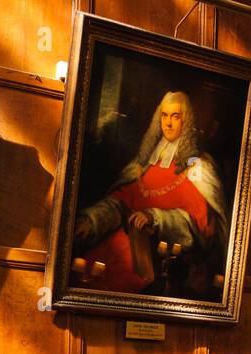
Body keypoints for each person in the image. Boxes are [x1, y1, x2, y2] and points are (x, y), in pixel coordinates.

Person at [73, 91, 227, 297]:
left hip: (160, 263)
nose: (169, 123)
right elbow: (120, 202)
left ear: (186, 120)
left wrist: (155, 218)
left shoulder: (199, 167)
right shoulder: (144, 163)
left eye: (175, 116)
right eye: (164, 116)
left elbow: (202, 228)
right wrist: (91, 221)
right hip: (118, 249)